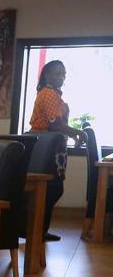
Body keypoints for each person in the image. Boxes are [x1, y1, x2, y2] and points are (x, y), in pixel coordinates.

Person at [29, 60, 87, 241]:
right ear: (47, 75)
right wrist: (78, 132)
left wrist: (72, 135)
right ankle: (37, 230)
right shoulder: (48, 94)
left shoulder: (52, 93)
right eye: (57, 73)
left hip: (52, 145)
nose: (61, 77)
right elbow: (55, 124)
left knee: (51, 188)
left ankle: (40, 230)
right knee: (52, 188)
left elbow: (59, 125)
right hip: (47, 147)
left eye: (63, 74)